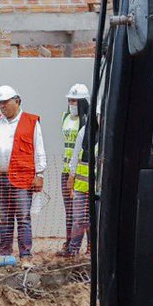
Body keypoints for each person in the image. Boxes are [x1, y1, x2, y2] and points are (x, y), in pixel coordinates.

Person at [0, 85, 45, 262]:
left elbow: (38, 148)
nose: (2, 106)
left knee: (23, 216)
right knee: (4, 217)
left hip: (22, 177)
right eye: (0, 103)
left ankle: (25, 254)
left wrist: (39, 173)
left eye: (5, 102)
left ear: (17, 101)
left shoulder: (30, 122)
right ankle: (4, 252)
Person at [61, 83, 90, 253]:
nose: (72, 104)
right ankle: (69, 243)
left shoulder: (87, 122)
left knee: (84, 214)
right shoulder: (65, 118)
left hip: (82, 173)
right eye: (70, 100)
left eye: (75, 100)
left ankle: (89, 245)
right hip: (68, 170)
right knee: (71, 211)